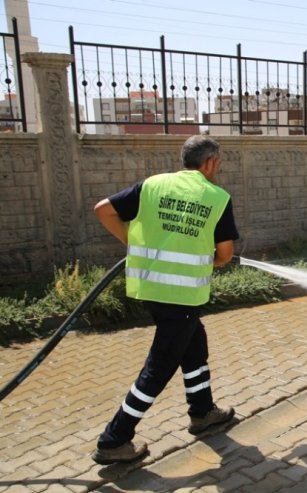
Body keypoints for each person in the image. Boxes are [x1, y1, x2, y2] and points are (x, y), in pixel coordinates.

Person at [91, 135, 238, 465]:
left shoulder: (152, 186)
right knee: (159, 368)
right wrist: (211, 259)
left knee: (194, 341)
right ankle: (115, 439)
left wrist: (134, 242)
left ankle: (203, 411)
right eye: (220, 164)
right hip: (182, 295)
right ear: (211, 162)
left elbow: (103, 210)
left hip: (151, 290)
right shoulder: (216, 197)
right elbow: (225, 254)